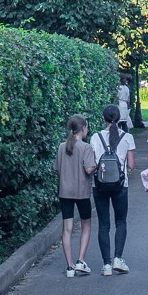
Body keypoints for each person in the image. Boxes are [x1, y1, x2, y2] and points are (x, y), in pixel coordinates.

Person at [90, 104, 135, 275]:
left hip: (99, 185)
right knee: (121, 221)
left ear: (103, 118)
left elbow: (92, 163)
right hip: (120, 185)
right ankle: (118, 258)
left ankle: (106, 264)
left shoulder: (95, 137)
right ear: (118, 118)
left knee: (103, 224)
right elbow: (131, 165)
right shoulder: (127, 137)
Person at [54, 114, 95, 277]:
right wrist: (96, 165)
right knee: (86, 224)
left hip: (65, 191)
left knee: (67, 228)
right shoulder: (86, 147)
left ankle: (69, 266)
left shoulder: (61, 146)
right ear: (83, 128)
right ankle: (80, 260)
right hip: (82, 192)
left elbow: (57, 168)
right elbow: (89, 169)